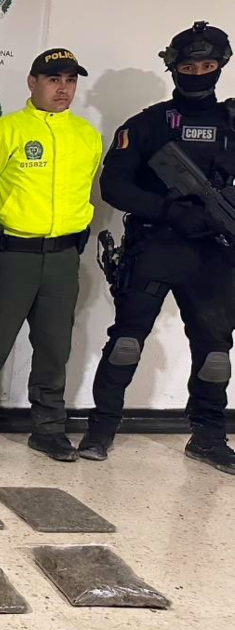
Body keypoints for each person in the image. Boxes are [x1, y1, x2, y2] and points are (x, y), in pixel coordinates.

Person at [79, 22, 235, 474]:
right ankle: (101, 430)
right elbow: (114, 185)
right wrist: (168, 210)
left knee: (215, 354)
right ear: (174, 68)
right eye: (190, 66)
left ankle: (208, 437)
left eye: (208, 65)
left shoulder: (231, 124)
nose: (199, 73)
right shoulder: (147, 125)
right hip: (156, 247)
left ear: (221, 66)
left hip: (213, 253)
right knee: (127, 343)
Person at [0, 48, 103, 463]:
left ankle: (48, 430)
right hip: (11, 256)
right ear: (32, 82)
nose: (64, 89)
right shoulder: (1, 132)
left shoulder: (87, 136)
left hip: (63, 257)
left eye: (71, 80)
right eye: (54, 79)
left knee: (55, 348)